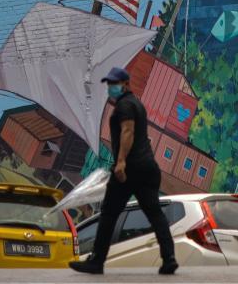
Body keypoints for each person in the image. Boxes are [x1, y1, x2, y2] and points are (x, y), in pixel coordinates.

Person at [70, 66, 178, 275]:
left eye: (114, 83)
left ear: (126, 84)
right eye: (109, 84)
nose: (111, 87)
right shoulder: (137, 104)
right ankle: (169, 258)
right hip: (148, 168)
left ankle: (96, 261)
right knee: (154, 213)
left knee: (109, 214)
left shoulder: (125, 106)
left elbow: (127, 131)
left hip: (130, 169)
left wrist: (120, 162)